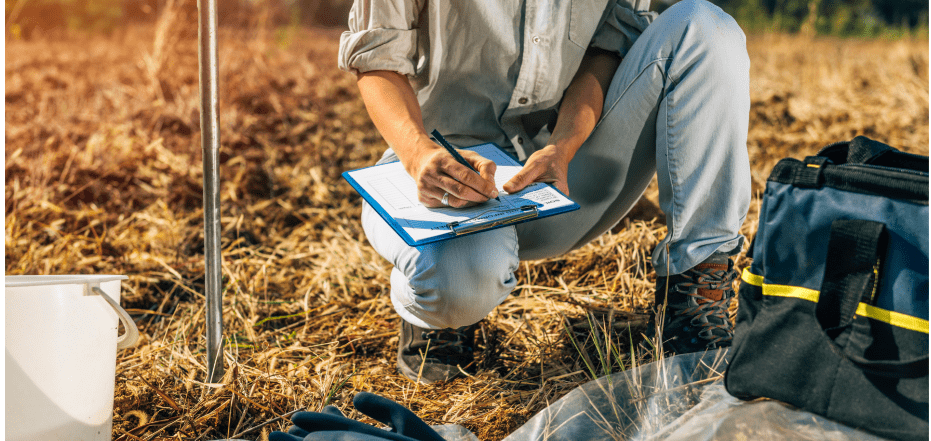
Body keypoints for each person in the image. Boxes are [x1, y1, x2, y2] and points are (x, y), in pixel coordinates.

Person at [338, 0, 750, 383]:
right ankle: (432, 317)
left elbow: (608, 48)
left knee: (705, 27)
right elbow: (376, 58)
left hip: (566, 172)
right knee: (456, 290)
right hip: (441, 166)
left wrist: (565, 144)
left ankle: (695, 293)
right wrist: (417, 153)